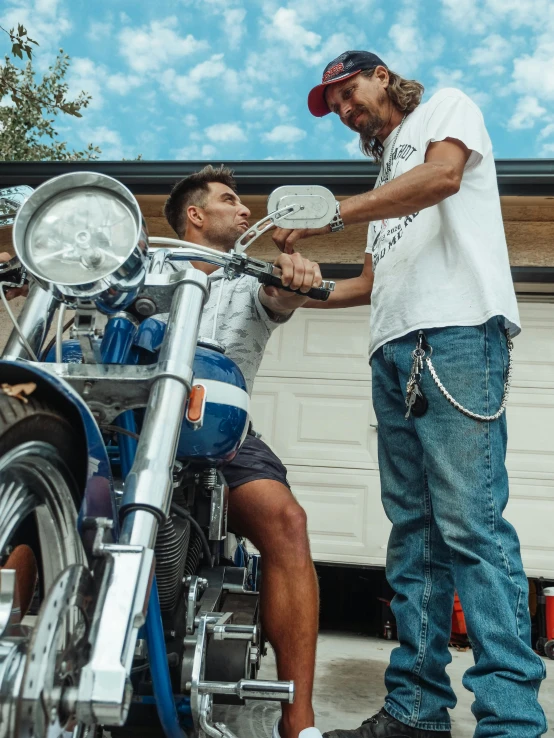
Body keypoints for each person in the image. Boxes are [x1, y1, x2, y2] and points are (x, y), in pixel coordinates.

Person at [273, 51, 547, 738]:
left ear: (383, 76)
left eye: (347, 90)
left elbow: (445, 178)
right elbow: (366, 283)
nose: (342, 108)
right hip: (391, 350)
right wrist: (297, 288)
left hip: (454, 335)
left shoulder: (443, 111)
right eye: (331, 104)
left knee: (472, 528)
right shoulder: (386, 172)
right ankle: (417, 710)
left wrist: (335, 213)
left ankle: (511, 720)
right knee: (415, 538)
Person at [163, 165, 323, 738]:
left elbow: (276, 296)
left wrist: (292, 277)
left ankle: (297, 718)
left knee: (287, 523)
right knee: (38, 496)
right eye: (231, 200)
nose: (246, 210)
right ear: (196, 215)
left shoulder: (246, 277)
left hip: (219, 431)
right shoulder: (138, 272)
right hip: (132, 424)